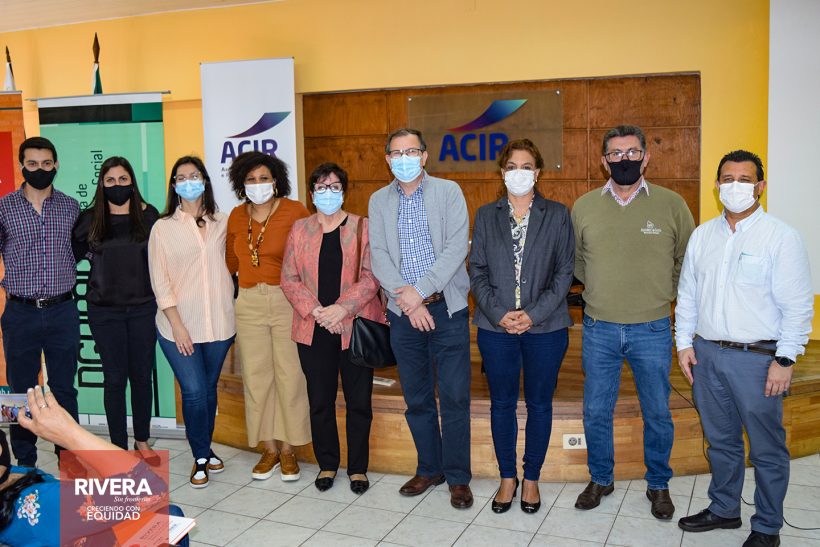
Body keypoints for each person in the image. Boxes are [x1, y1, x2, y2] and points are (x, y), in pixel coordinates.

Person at [675, 151, 814, 547]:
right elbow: (688, 295)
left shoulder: (780, 237)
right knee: (721, 441)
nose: (734, 186)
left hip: (758, 360)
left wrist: (785, 359)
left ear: (760, 187)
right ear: (717, 185)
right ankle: (724, 508)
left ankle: (767, 527)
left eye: (744, 179)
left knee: (767, 449)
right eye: (727, 179)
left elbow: (798, 306)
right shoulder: (703, 235)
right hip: (706, 355)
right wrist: (684, 343)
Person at [571, 125, 695, 518]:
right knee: (596, 410)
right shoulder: (584, 207)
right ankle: (600, 478)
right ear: (603, 161)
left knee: (656, 411)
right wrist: (604, 289)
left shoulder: (672, 204)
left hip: (652, 327)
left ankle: (658, 483)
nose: (624, 159)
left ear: (646, 157)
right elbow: (577, 263)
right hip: (599, 327)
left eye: (632, 152)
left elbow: (688, 261)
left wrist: (664, 292)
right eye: (616, 154)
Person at [368, 128, 473, 509]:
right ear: (387, 159)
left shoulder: (448, 191)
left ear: (425, 156)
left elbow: (456, 247)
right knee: (417, 397)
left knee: (455, 397)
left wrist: (421, 292)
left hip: (447, 308)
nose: (404, 159)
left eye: (411, 151)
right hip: (403, 313)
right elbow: (378, 255)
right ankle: (430, 468)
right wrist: (409, 301)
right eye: (396, 153)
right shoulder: (378, 200)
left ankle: (458, 477)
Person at [469, 139, 575, 514]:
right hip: (495, 327)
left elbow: (565, 272)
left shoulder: (557, 214)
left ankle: (531, 479)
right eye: (512, 166)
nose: (519, 173)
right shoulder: (486, 215)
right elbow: (477, 270)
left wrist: (532, 314)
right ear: (502, 173)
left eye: (526, 166)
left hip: (545, 328)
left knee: (539, 404)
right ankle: (507, 477)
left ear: (538, 172)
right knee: (501, 403)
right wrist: (499, 313)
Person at [281, 162, 385, 495]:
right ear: (312, 193)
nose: (328, 193)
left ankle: (358, 468)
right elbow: (289, 278)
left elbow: (371, 276)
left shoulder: (362, 227)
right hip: (312, 328)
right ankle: (327, 463)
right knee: (319, 400)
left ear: (344, 191)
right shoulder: (299, 229)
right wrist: (317, 311)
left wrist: (341, 309)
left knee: (359, 402)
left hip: (353, 327)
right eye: (321, 187)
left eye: (334, 186)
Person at [0, 387, 190, 547]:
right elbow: (149, 489)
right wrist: (69, 434)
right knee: (169, 514)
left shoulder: (15, 477)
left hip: (83, 533)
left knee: (169, 516)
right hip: (70, 523)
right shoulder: (38, 501)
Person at [148, 156, 236, 489]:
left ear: (205, 180)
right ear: (173, 186)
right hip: (177, 326)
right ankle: (200, 456)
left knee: (208, 389)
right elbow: (160, 281)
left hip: (219, 324)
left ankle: (205, 447)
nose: (188, 182)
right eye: (181, 177)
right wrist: (178, 324)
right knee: (195, 391)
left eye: (194, 175)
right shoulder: (163, 228)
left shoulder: (223, 221)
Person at [225, 151, 311, 482]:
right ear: (240, 183)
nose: (257, 184)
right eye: (250, 179)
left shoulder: (294, 211)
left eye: (264, 178)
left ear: (276, 181)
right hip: (248, 301)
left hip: (286, 300)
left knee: (290, 374)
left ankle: (289, 449)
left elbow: (309, 256)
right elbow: (230, 262)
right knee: (257, 376)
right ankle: (269, 448)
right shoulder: (236, 216)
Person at [71, 156, 160, 457]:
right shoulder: (89, 219)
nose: (117, 185)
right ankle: (118, 446)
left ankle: (142, 441)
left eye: (123, 179)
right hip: (104, 311)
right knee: (114, 380)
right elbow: (71, 256)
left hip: (144, 308)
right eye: (110, 180)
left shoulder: (149, 216)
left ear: (132, 183)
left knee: (141, 377)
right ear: (101, 184)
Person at [0, 136, 80, 467]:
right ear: (22, 165)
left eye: (46, 163)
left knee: (64, 388)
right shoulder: (4, 208)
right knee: (21, 391)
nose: (40, 169)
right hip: (20, 312)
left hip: (63, 310)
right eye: (32, 163)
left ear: (56, 165)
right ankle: (25, 464)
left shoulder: (71, 207)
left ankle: (69, 459)